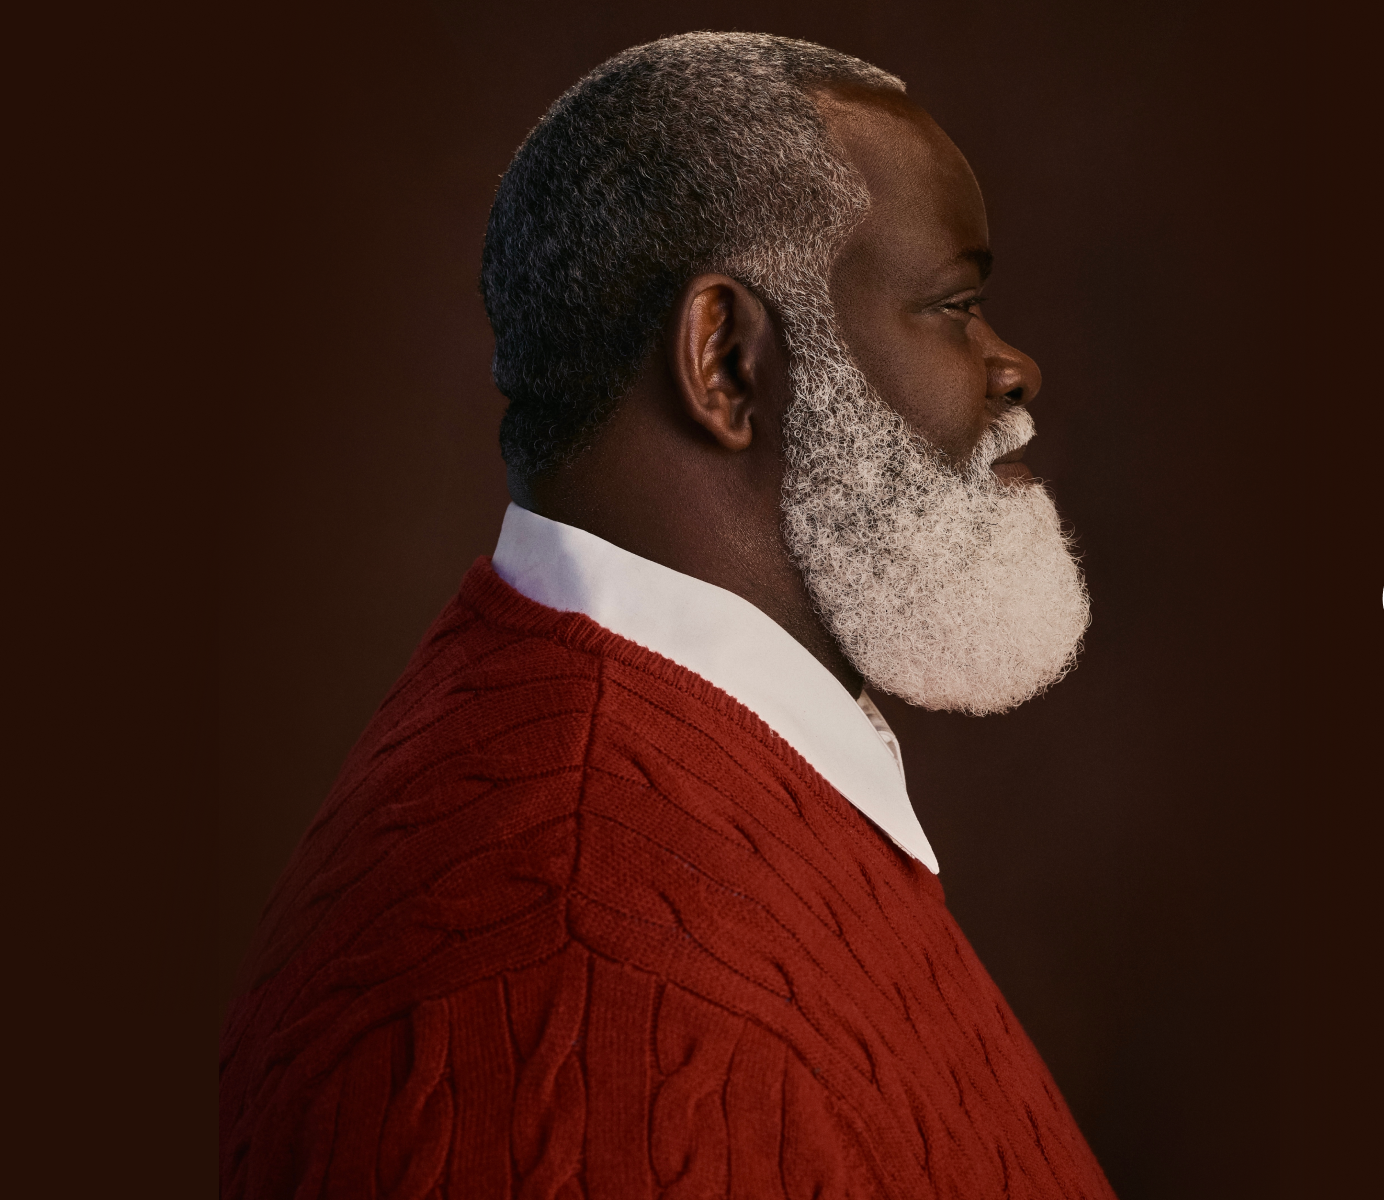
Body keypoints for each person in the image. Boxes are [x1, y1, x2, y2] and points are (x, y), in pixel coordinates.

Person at [221, 32, 1108, 1198]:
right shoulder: (585, 991)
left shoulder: (680, 788)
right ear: (727, 364)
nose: (1012, 368)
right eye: (952, 305)